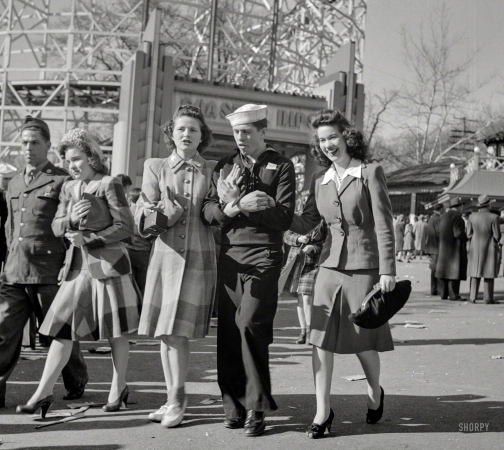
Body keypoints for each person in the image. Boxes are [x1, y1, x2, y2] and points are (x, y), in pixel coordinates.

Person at [16, 128, 139, 417]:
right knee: (62, 329)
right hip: (76, 268)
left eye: (77, 159)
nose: (72, 166)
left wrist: (91, 238)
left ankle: (118, 387)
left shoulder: (110, 184)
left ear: (93, 157)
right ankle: (43, 391)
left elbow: (126, 227)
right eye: (69, 161)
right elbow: (57, 226)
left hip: (109, 267)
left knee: (116, 332)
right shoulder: (69, 188)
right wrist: (70, 219)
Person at [289, 109, 396, 438]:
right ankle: (322, 411)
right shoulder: (318, 180)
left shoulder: (370, 172)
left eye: (332, 137)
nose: (327, 145)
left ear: (347, 136)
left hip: (364, 269)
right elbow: (308, 222)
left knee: (364, 342)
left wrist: (388, 270)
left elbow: (384, 224)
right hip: (328, 269)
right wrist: (276, 214)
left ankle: (375, 392)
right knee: (319, 341)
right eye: (321, 140)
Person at [202, 104, 296, 437]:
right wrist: (234, 205)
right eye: (237, 133)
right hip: (230, 255)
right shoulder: (224, 165)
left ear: (262, 131)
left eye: (247, 132)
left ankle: (257, 407)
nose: (241, 138)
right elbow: (208, 211)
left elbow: (283, 217)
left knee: (250, 324)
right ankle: (233, 405)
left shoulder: (282, 166)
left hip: (265, 255)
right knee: (229, 330)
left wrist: (252, 208)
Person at [136, 105, 217, 428]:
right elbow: (143, 213)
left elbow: (215, 210)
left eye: (194, 130)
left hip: (197, 256)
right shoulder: (155, 166)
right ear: (171, 133)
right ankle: (172, 398)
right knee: (164, 333)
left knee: (177, 333)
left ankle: (178, 401)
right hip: (165, 257)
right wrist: (163, 211)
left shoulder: (211, 169)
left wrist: (224, 203)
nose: (187, 134)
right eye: (182, 128)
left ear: (202, 137)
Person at [0, 117, 88, 409]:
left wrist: (69, 265)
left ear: (48, 146)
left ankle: (76, 380)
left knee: (57, 332)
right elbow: (11, 228)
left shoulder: (62, 180)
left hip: (48, 272)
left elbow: (70, 226)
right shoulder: (12, 181)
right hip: (14, 272)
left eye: (35, 143)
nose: (28, 148)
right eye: (24, 143)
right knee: (4, 332)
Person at [282, 221, 326, 344]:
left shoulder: (323, 220)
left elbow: (329, 243)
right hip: (296, 261)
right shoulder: (298, 218)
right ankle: (303, 331)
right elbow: (286, 236)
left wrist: (314, 248)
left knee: (307, 297)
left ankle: (311, 332)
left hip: (313, 263)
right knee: (300, 298)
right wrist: (298, 238)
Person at [467, 195, 501, 304]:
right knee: (488, 273)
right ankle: (488, 298)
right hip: (489, 247)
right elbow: (497, 236)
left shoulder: (472, 217)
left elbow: (468, 234)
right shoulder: (494, 217)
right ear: (489, 204)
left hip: (475, 247)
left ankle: (472, 297)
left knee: (475, 272)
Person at [436, 202, 468, 301]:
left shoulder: (442, 216)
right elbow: (458, 233)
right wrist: (466, 238)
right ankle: (454, 295)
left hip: (443, 248)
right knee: (454, 271)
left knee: (444, 271)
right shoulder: (458, 217)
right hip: (454, 249)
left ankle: (443, 294)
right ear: (460, 207)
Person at [125, 187, 152, 296]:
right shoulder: (146, 212)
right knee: (142, 285)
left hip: (129, 250)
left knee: (130, 285)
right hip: (144, 252)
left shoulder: (126, 212)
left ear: (130, 198)